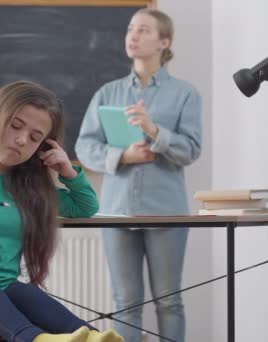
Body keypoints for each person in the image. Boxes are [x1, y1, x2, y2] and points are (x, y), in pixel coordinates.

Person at [0, 80, 124, 342]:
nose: (20, 140)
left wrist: (67, 171)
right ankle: (38, 340)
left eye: (34, 138)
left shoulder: (27, 187)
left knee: (26, 293)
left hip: (2, 292)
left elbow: (85, 207)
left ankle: (94, 338)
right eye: (15, 126)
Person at [75, 8, 202, 342]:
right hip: (116, 211)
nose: (133, 35)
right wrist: (123, 156)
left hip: (167, 212)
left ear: (164, 41)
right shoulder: (107, 93)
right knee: (125, 301)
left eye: (144, 30)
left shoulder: (185, 93)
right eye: (131, 28)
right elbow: (85, 146)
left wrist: (154, 131)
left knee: (169, 300)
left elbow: (191, 149)